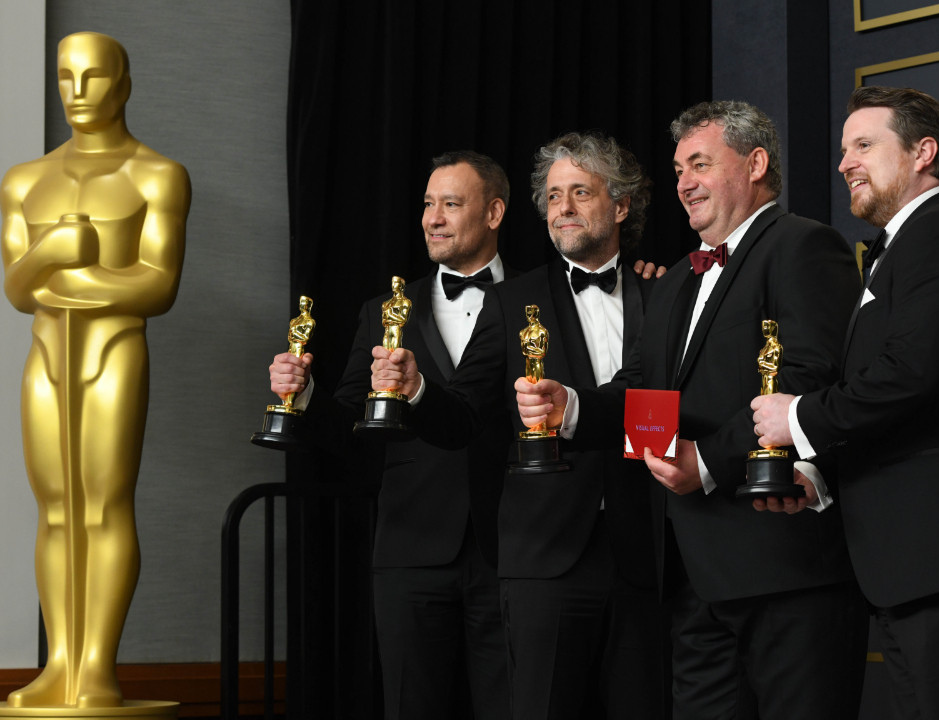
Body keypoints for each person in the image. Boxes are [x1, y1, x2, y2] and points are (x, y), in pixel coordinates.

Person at [515, 103, 869, 720]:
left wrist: (705, 460)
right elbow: (644, 393)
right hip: (689, 579)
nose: (684, 183)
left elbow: (807, 381)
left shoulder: (805, 245)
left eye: (700, 164)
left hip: (784, 568)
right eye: (679, 169)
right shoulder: (677, 279)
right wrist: (569, 407)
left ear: (755, 164)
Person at [750, 86, 939, 720]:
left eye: (864, 145)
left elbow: (912, 375)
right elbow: (901, 400)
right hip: (914, 562)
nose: (845, 163)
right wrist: (818, 476)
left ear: (923, 152)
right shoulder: (907, 245)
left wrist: (798, 417)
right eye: (844, 150)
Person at [374, 132, 664, 719]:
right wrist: (417, 389)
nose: (563, 208)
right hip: (543, 558)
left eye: (581, 192)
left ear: (621, 205)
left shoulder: (664, 293)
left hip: (646, 554)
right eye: (554, 196)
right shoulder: (511, 301)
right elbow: (463, 418)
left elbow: (662, 410)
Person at [269, 151, 512, 719]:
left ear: (494, 213)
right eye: (428, 204)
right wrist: (303, 394)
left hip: (517, 546)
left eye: (451, 204)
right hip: (410, 544)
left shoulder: (540, 299)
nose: (433, 218)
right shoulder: (382, 310)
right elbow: (350, 429)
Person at [0, 31, 190, 708]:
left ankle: (97, 666)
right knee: (55, 509)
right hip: (47, 354)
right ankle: (60, 663)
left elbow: (157, 285)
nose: (77, 92)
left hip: (114, 350)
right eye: (66, 77)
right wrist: (53, 251)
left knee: (105, 503)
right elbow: (17, 289)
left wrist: (66, 278)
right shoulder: (25, 180)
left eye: (94, 77)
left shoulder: (156, 175)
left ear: (125, 83)